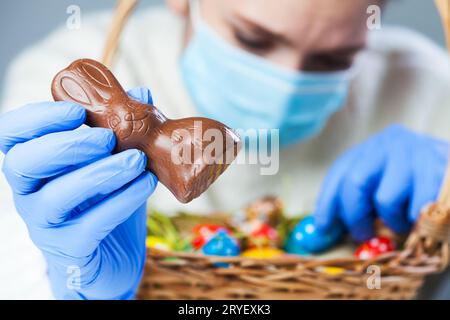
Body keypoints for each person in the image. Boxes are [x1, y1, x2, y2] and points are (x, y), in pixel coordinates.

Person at [0, 0, 449, 299]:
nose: (287, 85)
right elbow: (14, 275)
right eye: (253, 39)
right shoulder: (74, 69)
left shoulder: (426, 86)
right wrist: (75, 286)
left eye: (333, 60)